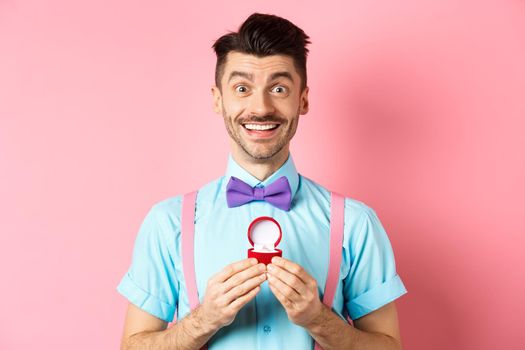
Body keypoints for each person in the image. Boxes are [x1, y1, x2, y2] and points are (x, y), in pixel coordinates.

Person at [117, 12, 407, 350]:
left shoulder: (356, 223)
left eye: (279, 88)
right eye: (242, 88)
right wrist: (203, 320)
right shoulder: (168, 223)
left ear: (303, 99)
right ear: (217, 99)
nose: (261, 107)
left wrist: (319, 320)